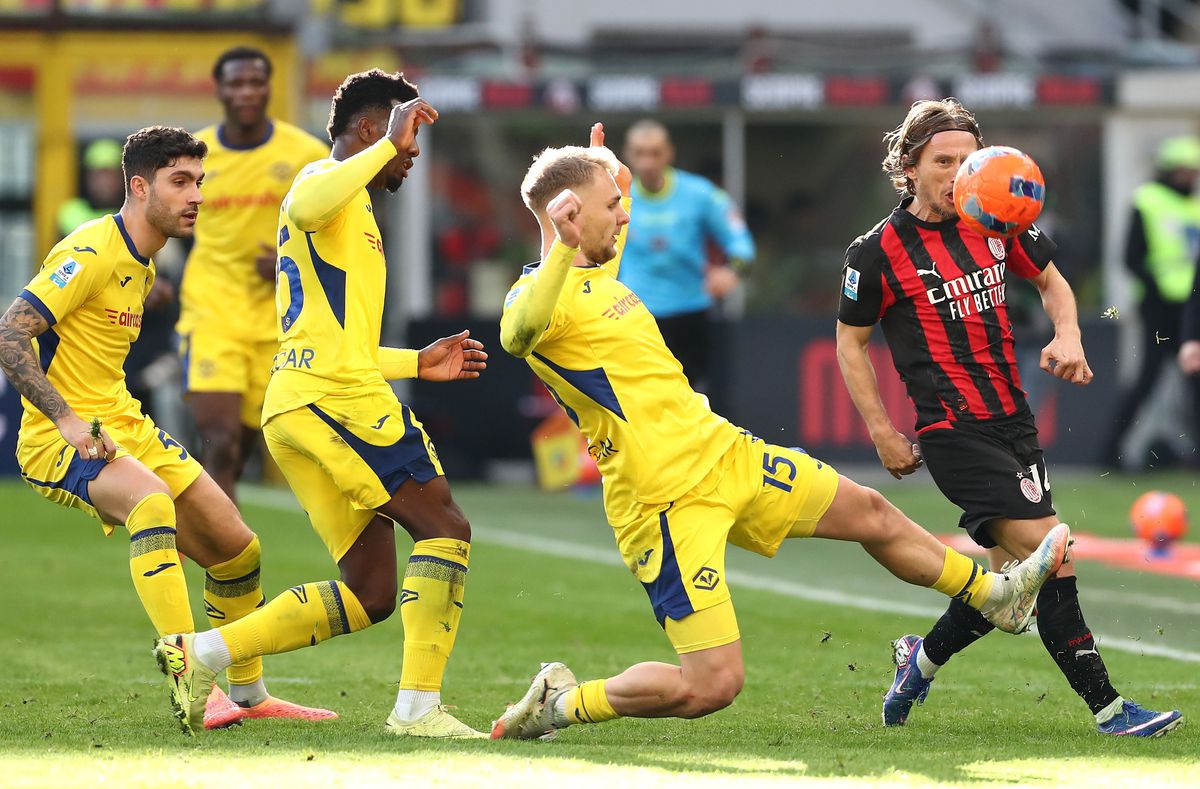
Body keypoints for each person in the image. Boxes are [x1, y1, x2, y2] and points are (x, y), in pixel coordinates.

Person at [489, 124, 1069, 741]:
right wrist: (563, 241)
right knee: (711, 686)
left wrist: (605, 166)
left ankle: (995, 596)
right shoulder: (538, 296)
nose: (625, 215)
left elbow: (617, 189)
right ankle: (561, 703)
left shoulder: (600, 261)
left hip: (725, 454)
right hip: (663, 502)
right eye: (612, 206)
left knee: (870, 512)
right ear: (571, 217)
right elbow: (515, 337)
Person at [155, 70, 489, 740]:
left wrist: (416, 362)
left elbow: (342, 340)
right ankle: (417, 710)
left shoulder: (353, 205)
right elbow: (304, 205)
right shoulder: (322, 180)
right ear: (369, 129)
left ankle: (203, 653)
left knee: (371, 591)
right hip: (337, 401)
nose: (411, 153)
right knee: (445, 527)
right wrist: (384, 145)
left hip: (307, 397)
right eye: (405, 137)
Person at [835, 98, 1182, 737]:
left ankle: (919, 661)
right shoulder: (877, 251)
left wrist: (1069, 334)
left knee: (1005, 586)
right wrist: (882, 431)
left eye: (967, 159)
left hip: (1014, 422)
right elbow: (850, 343)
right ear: (909, 167)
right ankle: (1110, 710)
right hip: (953, 429)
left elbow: (1053, 283)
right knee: (1054, 554)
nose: (957, 173)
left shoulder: (995, 217)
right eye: (943, 161)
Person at [0, 126, 331, 736]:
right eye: (180, 182)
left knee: (238, 551)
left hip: (126, 424)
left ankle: (249, 695)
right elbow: (9, 333)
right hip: (57, 439)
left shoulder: (145, 264)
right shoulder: (91, 250)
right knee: (152, 503)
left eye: (199, 182)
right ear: (139, 186)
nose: (196, 195)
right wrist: (67, 421)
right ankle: (189, 679)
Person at [177, 46, 330, 501]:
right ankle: (228, 543)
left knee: (242, 448)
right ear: (220, 90)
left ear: (269, 88)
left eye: (255, 82)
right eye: (236, 83)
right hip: (212, 311)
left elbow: (339, 231)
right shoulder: (193, 156)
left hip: (280, 318)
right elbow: (158, 221)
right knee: (219, 442)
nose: (246, 92)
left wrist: (291, 260)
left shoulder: (306, 154)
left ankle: (209, 520)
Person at [617, 119, 755, 391]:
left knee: (691, 397)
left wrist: (732, 271)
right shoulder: (614, 197)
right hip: (633, 313)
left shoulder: (700, 194)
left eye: (655, 153)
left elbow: (740, 241)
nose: (648, 162)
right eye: (640, 153)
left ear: (669, 153)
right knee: (637, 397)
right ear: (627, 155)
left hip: (690, 313)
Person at [1101, 136, 1200, 468]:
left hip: (1192, 307)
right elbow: (1131, 257)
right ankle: (1110, 452)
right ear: (1169, 171)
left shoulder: (1195, 205)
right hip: (1160, 309)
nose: (1190, 178)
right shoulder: (1148, 200)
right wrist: (1157, 287)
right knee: (1148, 380)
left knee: (1195, 384)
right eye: (1184, 171)